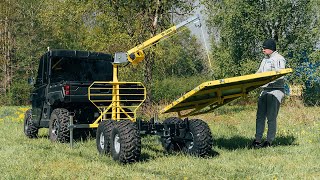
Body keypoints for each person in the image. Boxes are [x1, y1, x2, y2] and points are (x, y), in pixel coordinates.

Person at [252, 39, 286, 148]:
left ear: (270, 48)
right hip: (265, 90)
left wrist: (268, 80)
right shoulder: (264, 60)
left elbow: (281, 75)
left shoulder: (279, 59)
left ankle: (269, 141)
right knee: (260, 116)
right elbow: (258, 73)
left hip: (276, 90)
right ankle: (257, 140)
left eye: (264, 48)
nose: (262, 50)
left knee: (271, 117)